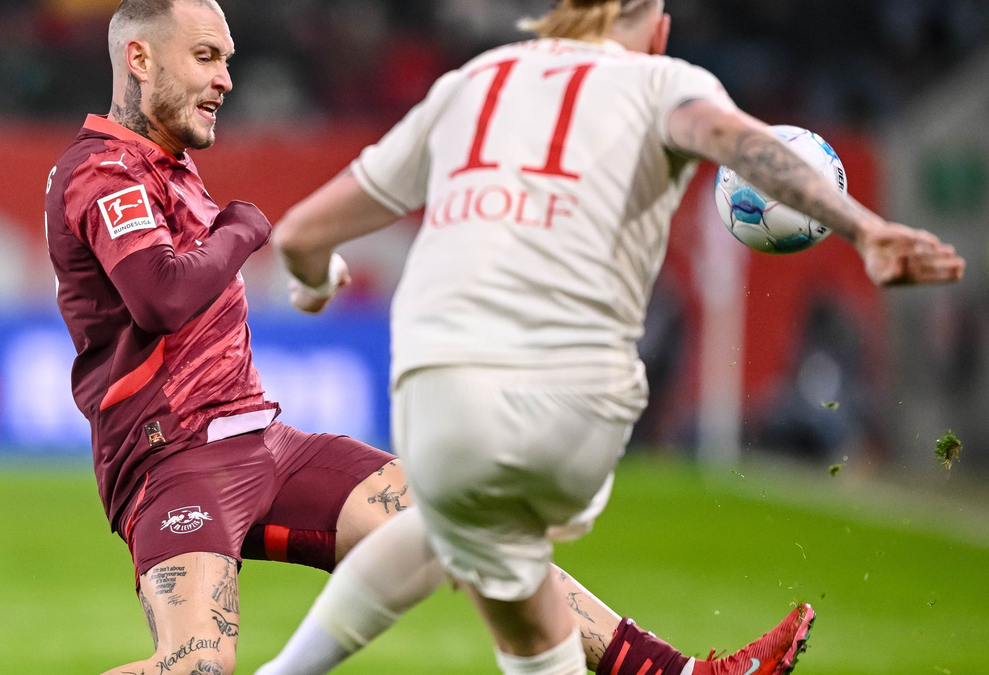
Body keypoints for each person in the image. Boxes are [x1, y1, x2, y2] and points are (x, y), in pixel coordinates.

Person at [258, 1, 966, 675]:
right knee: (490, 557)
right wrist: (864, 228)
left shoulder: (470, 82)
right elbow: (742, 144)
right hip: (572, 400)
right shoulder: (664, 82)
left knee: (473, 535)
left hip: (431, 392)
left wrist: (315, 283)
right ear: (657, 30)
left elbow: (299, 236)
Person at [44, 1, 655, 673]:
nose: (225, 79)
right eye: (206, 57)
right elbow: (160, 296)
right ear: (140, 58)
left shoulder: (167, 164)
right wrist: (244, 228)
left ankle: (675, 669)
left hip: (264, 441)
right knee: (196, 665)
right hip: (174, 459)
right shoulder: (104, 170)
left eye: (226, 60)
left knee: (473, 528)